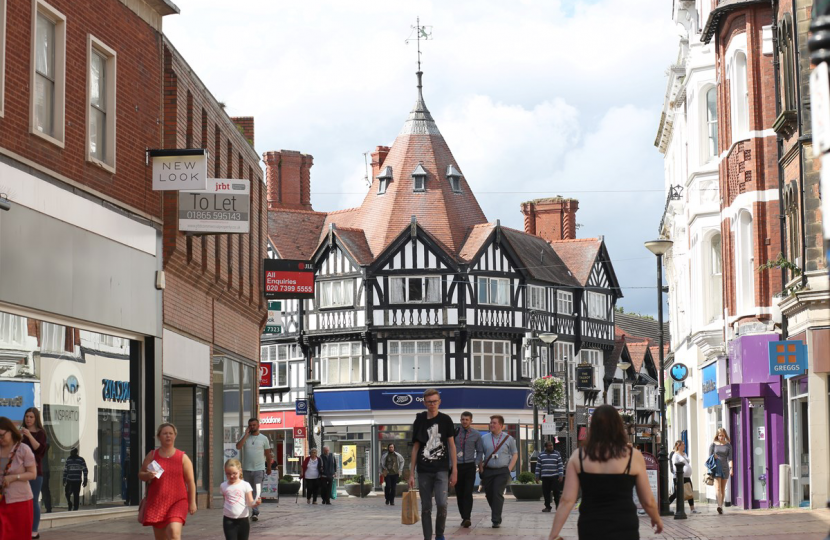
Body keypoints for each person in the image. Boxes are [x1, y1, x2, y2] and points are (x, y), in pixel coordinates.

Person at [547, 405, 663, 540]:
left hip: (590, 525)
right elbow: (647, 500)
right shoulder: (633, 456)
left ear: (593, 427)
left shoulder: (578, 457)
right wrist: (656, 518)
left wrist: (553, 534)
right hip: (625, 525)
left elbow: (567, 500)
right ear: (619, 426)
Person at [408, 389, 457, 540]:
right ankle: (427, 537)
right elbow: (416, 448)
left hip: (441, 469)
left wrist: (454, 470)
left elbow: (452, 445)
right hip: (423, 470)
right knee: (426, 507)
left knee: (442, 504)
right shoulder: (420, 420)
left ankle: (440, 534)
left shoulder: (446, 420)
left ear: (439, 402)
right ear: (424, 402)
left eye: (435, 401)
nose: (432, 404)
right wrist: (411, 474)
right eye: (429, 401)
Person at [139, 423, 197, 539]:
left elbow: (190, 482)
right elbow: (141, 474)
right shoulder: (152, 455)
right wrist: (148, 475)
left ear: (175, 436)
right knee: (161, 538)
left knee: (174, 533)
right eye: (165, 433)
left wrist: (192, 502)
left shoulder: (182, 457)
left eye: (171, 433)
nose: (168, 436)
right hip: (157, 502)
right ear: (159, 436)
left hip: (178, 501)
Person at [476, 415, 517, 528]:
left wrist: (509, 469)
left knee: (497, 493)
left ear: (501, 426)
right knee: (489, 494)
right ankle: (496, 512)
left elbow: (515, 454)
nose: (491, 425)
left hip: (502, 471)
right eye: (491, 422)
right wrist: (481, 468)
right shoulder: (484, 438)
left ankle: (496, 520)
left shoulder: (509, 438)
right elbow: (480, 454)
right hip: (488, 470)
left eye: (494, 423)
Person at [0, 416, 37, 540]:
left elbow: (33, 474)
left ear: (10, 431)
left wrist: (14, 477)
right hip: (2, 500)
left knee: (19, 535)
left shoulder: (23, 449)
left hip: (20, 501)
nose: (0, 439)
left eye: (2, 435)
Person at [235, 418, 272, 522]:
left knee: (257, 491)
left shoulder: (264, 438)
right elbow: (238, 447)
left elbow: (268, 455)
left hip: (259, 469)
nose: (252, 427)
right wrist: (246, 435)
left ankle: (255, 512)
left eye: (254, 425)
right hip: (246, 469)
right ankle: (246, 510)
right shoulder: (245, 436)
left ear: (258, 425)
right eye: (250, 425)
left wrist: (269, 467)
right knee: (247, 491)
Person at [20, 407, 47, 537]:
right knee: (21, 501)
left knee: (33, 500)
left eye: (31, 417)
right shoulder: (19, 432)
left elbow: (39, 450)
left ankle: (34, 530)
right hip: (20, 472)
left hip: (35, 472)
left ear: (36, 418)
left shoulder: (40, 433)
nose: (28, 419)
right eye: (27, 417)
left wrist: (29, 435)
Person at [220, 458, 260, 540]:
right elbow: (225, 500)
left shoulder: (245, 485)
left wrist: (255, 503)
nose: (231, 476)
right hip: (228, 520)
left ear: (240, 471)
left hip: (243, 520)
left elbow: (249, 502)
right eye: (228, 474)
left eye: (234, 473)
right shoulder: (223, 486)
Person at [453, 411, 481, 528]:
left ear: (471, 421)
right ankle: (463, 516)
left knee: (468, 492)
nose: (464, 421)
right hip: (457, 466)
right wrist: (451, 465)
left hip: (469, 466)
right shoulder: (454, 432)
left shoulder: (476, 434)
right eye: (463, 419)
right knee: (459, 493)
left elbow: (480, 451)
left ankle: (467, 517)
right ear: (460, 420)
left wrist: (475, 463)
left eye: (467, 419)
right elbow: (450, 449)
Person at [668, 440, 698, 514]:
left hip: (687, 476)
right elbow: (675, 466)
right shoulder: (675, 455)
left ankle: (692, 509)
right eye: (683, 444)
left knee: (690, 491)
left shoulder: (685, 454)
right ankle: (665, 505)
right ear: (679, 446)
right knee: (677, 493)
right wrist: (679, 474)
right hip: (679, 477)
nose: (684, 446)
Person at [709, 428, 733, 515]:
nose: (721, 437)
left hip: (725, 468)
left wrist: (731, 469)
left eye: (723, 435)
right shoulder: (713, 445)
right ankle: (719, 505)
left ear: (725, 435)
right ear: (717, 435)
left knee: (722, 488)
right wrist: (713, 457)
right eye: (719, 435)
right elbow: (709, 458)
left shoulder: (728, 446)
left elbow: (730, 459)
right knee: (718, 488)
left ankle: (721, 506)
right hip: (716, 467)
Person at [536, 440, 564, 512]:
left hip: (555, 476)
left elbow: (560, 465)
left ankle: (558, 506)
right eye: (549, 445)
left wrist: (561, 475)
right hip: (545, 477)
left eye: (552, 445)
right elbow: (538, 466)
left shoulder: (557, 454)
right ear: (545, 447)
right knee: (546, 493)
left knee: (556, 492)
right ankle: (547, 507)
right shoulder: (541, 455)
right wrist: (537, 476)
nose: (551, 447)